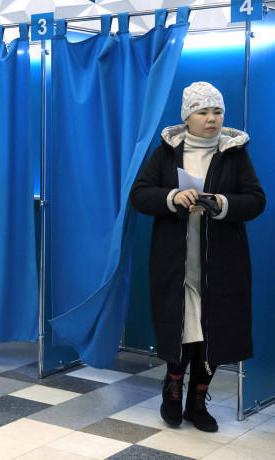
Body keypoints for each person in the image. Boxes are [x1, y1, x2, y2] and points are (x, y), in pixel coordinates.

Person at [130, 82, 265, 432]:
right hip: (176, 261)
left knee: (212, 332)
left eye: (217, 111)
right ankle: (172, 391)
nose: (211, 119)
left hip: (222, 264)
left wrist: (221, 204)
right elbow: (140, 195)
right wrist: (173, 197)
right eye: (203, 111)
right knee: (184, 329)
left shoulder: (235, 153)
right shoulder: (166, 152)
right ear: (187, 116)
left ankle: (197, 400)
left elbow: (256, 200)